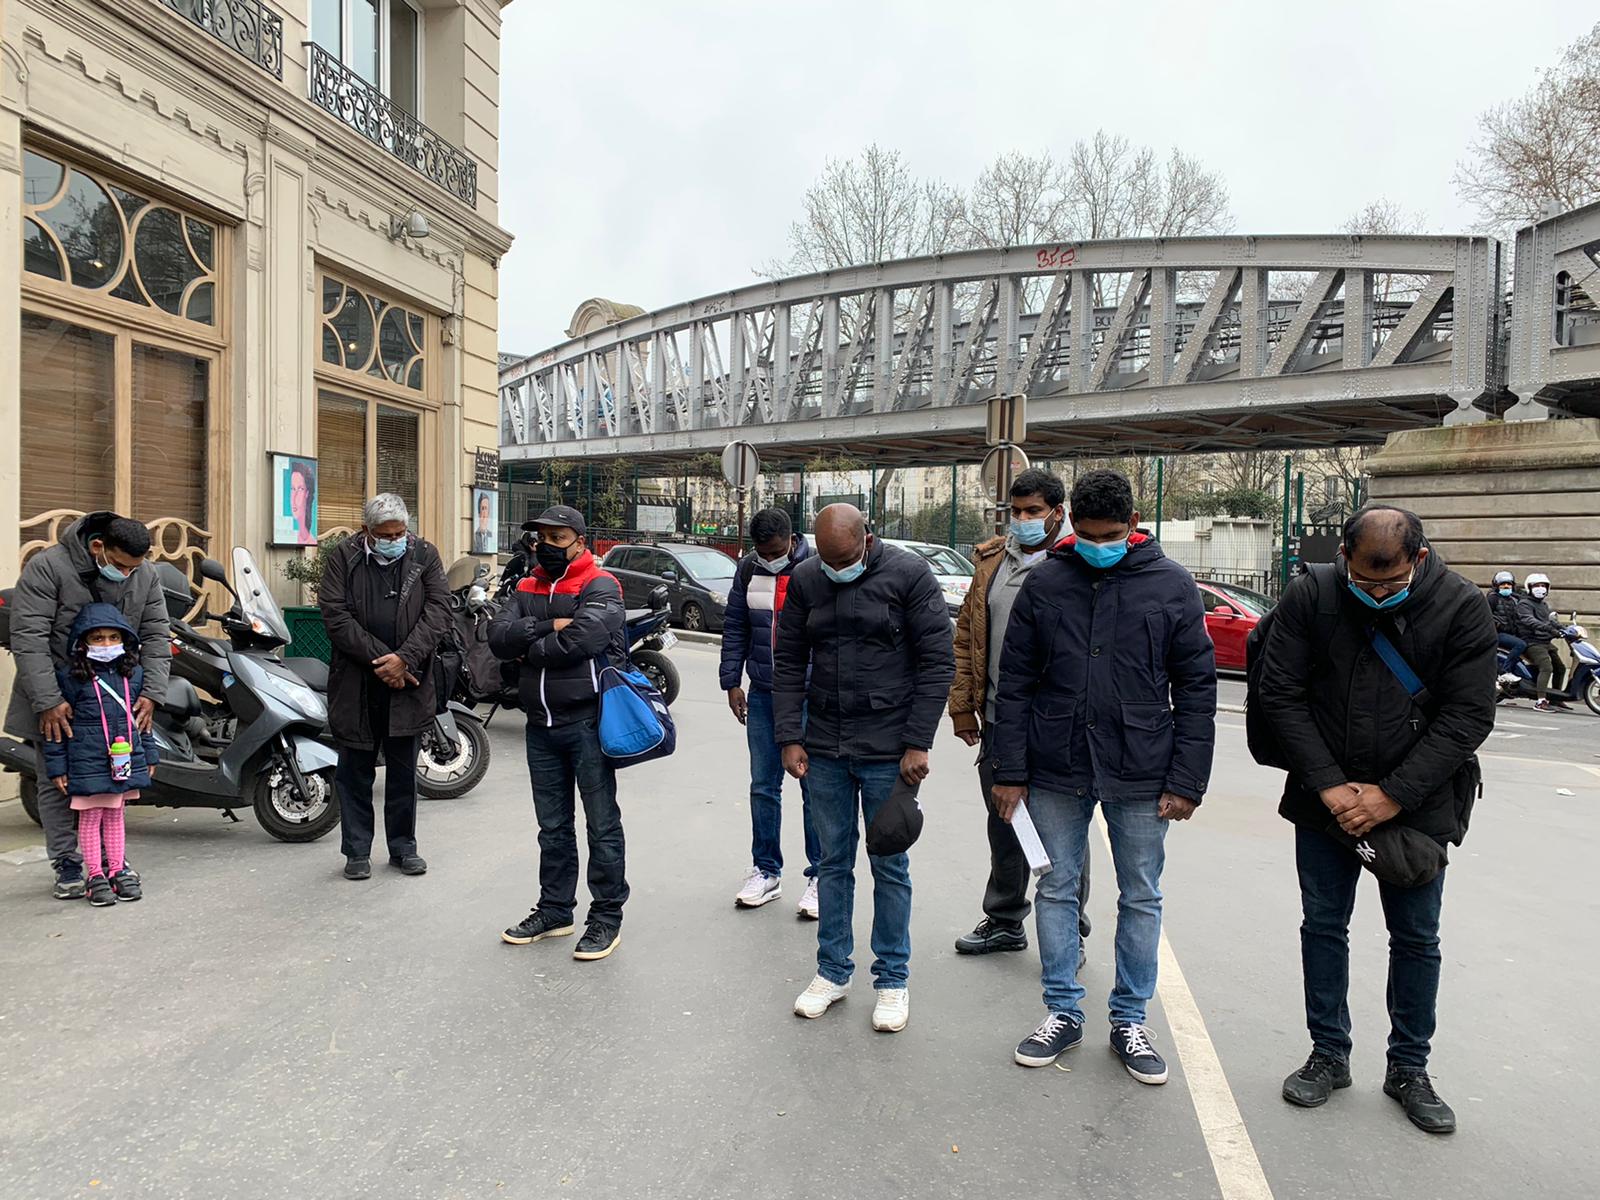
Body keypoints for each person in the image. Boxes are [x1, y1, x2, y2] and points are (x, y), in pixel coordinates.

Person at [1258, 505, 1495, 1135]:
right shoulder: (1313, 595)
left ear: (1419, 559)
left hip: (1417, 806)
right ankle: (1328, 1054)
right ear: (1344, 557)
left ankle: (1409, 1068)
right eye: (1364, 581)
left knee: (1416, 938)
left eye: (1391, 584)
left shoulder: (1462, 605)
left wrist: (1392, 795)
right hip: (1324, 800)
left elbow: (1468, 715)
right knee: (1323, 926)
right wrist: (1330, 786)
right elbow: (1280, 694)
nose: (1377, 593)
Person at [991, 469, 1215, 1084]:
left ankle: (1129, 1019)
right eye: (1087, 535)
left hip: (1142, 766)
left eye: (1110, 536)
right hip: (1055, 762)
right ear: (1071, 524)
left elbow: (1197, 688)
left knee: (1140, 894)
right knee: (1056, 889)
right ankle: (1062, 1011)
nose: (1097, 545)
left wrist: (1187, 779)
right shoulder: (1047, 581)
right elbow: (1015, 683)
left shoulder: (1171, 585)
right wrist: (1010, 770)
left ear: (1133, 524)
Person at [773, 504, 954, 1034]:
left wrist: (918, 743)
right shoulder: (807, 578)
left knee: (889, 865)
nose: (836, 570)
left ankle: (892, 980)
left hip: (889, 749)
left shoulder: (909, 575)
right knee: (832, 863)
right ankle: (832, 972)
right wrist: (789, 736)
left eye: (845, 560)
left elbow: (937, 662)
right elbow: (789, 660)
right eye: (827, 561)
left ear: (867, 539)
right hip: (824, 746)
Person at [949, 468, 1091, 961]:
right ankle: (1005, 919)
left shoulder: (1077, 559)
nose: (1023, 519)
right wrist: (962, 706)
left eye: (1034, 511)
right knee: (1004, 822)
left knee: (1065, 830)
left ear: (1058, 512)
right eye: (1017, 511)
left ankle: (1070, 929)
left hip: (1059, 721)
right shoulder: (992, 560)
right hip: (998, 716)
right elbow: (967, 635)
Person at [488, 505, 629, 962]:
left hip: (586, 723)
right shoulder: (526, 585)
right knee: (552, 828)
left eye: (557, 537)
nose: (546, 545)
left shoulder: (600, 585)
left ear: (580, 542)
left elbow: (583, 640)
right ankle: (554, 910)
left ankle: (605, 916)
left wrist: (528, 650)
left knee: (601, 825)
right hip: (539, 725)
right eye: (541, 537)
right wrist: (548, 626)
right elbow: (497, 637)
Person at [4, 513, 170, 899]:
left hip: (116, 698)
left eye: (135, 568)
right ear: (98, 547)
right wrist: (49, 700)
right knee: (56, 781)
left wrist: (151, 692)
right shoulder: (48, 567)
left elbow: (156, 634)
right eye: (121, 566)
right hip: (58, 695)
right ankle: (67, 862)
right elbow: (29, 636)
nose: (127, 575)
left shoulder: (144, 574)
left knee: (116, 782)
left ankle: (112, 862)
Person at [318, 494, 450, 882]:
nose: (394, 540)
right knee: (354, 771)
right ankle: (357, 851)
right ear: (367, 531)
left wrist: (405, 659)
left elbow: (439, 611)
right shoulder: (343, 557)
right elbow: (335, 616)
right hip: (357, 681)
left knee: (404, 771)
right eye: (386, 535)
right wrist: (385, 662)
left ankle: (403, 847)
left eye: (400, 533)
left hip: (409, 679)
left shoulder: (424, 554)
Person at [719, 507, 821, 917]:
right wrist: (731, 681)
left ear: (792, 540)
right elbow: (735, 626)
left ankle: (821, 876)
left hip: (810, 695)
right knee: (763, 786)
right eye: (762, 552)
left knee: (814, 787)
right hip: (763, 693)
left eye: (776, 551)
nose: (770, 558)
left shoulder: (816, 569)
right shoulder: (748, 569)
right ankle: (766, 871)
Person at [43, 605, 160, 906]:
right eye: (98, 638)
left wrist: (149, 754)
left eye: (113, 637)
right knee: (91, 817)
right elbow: (56, 730)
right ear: (83, 643)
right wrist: (57, 767)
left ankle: (117, 870)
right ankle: (95, 876)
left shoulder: (134, 676)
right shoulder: (70, 678)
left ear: (124, 640)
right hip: (86, 762)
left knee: (116, 815)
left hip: (121, 761)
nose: (107, 644)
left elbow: (142, 722)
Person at [1516, 572, 1569, 712]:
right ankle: (1540, 701)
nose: (1540, 588)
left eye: (1543, 585)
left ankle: (1556, 699)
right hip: (1532, 642)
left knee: (1560, 668)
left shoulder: (1543, 605)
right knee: (1546, 667)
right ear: (1529, 587)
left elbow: (1551, 620)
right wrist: (1549, 629)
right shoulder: (1524, 604)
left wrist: (1565, 629)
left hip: (1545, 641)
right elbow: (1529, 620)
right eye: (1536, 585)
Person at [1487, 570, 1525, 667]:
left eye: (1509, 584)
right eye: (1503, 584)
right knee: (1520, 644)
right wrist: (1497, 625)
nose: (1506, 586)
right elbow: (1486, 616)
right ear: (1497, 586)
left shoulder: (1514, 600)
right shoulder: (1492, 599)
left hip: (1511, 633)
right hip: (1498, 634)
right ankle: (1506, 669)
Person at [290, 461, 317, 546]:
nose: (294, 497)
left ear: (307, 493)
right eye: (293, 489)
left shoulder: (311, 542)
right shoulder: (292, 537)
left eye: (300, 489)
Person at [472, 492, 497, 556]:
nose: (484, 513)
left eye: (486, 508)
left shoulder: (491, 535)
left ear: (488, 513)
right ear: (479, 513)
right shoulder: (474, 537)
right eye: (482, 509)